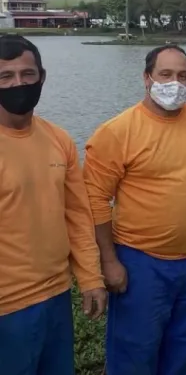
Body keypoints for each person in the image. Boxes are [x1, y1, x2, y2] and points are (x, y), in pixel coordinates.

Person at [83, 44, 186, 374]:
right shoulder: (117, 132)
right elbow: (94, 199)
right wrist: (109, 262)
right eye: (165, 74)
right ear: (146, 77)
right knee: (134, 352)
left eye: (183, 76)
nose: (175, 83)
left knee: (183, 345)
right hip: (140, 262)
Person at [0, 35, 107, 374]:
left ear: (41, 77)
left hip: (56, 295)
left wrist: (90, 277)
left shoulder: (59, 139)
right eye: (5, 77)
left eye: (27, 74)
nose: (19, 83)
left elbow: (76, 215)